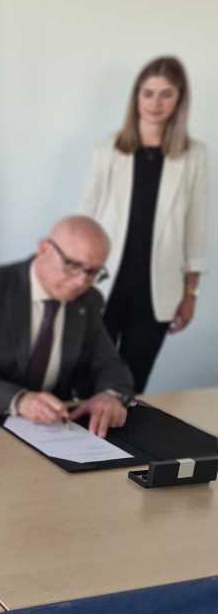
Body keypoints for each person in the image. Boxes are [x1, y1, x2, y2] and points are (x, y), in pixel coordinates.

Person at [0, 216, 134, 438]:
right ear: (45, 248)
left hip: (47, 429)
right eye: (73, 265)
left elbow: (108, 362)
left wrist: (109, 395)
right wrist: (18, 399)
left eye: (93, 272)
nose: (82, 282)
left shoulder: (88, 301)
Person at [80, 56, 208, 394]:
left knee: (129, 388)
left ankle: (120, 447)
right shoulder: (108, 151)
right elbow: (86, 218)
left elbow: (195, 227)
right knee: (86, 381)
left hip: (158, 292)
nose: (155, 103)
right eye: (148, 92)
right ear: (136, 96)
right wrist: (76, 276)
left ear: (180, 98)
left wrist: (191, 293)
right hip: (104, 285)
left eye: (166, 94)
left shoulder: (194, 156)